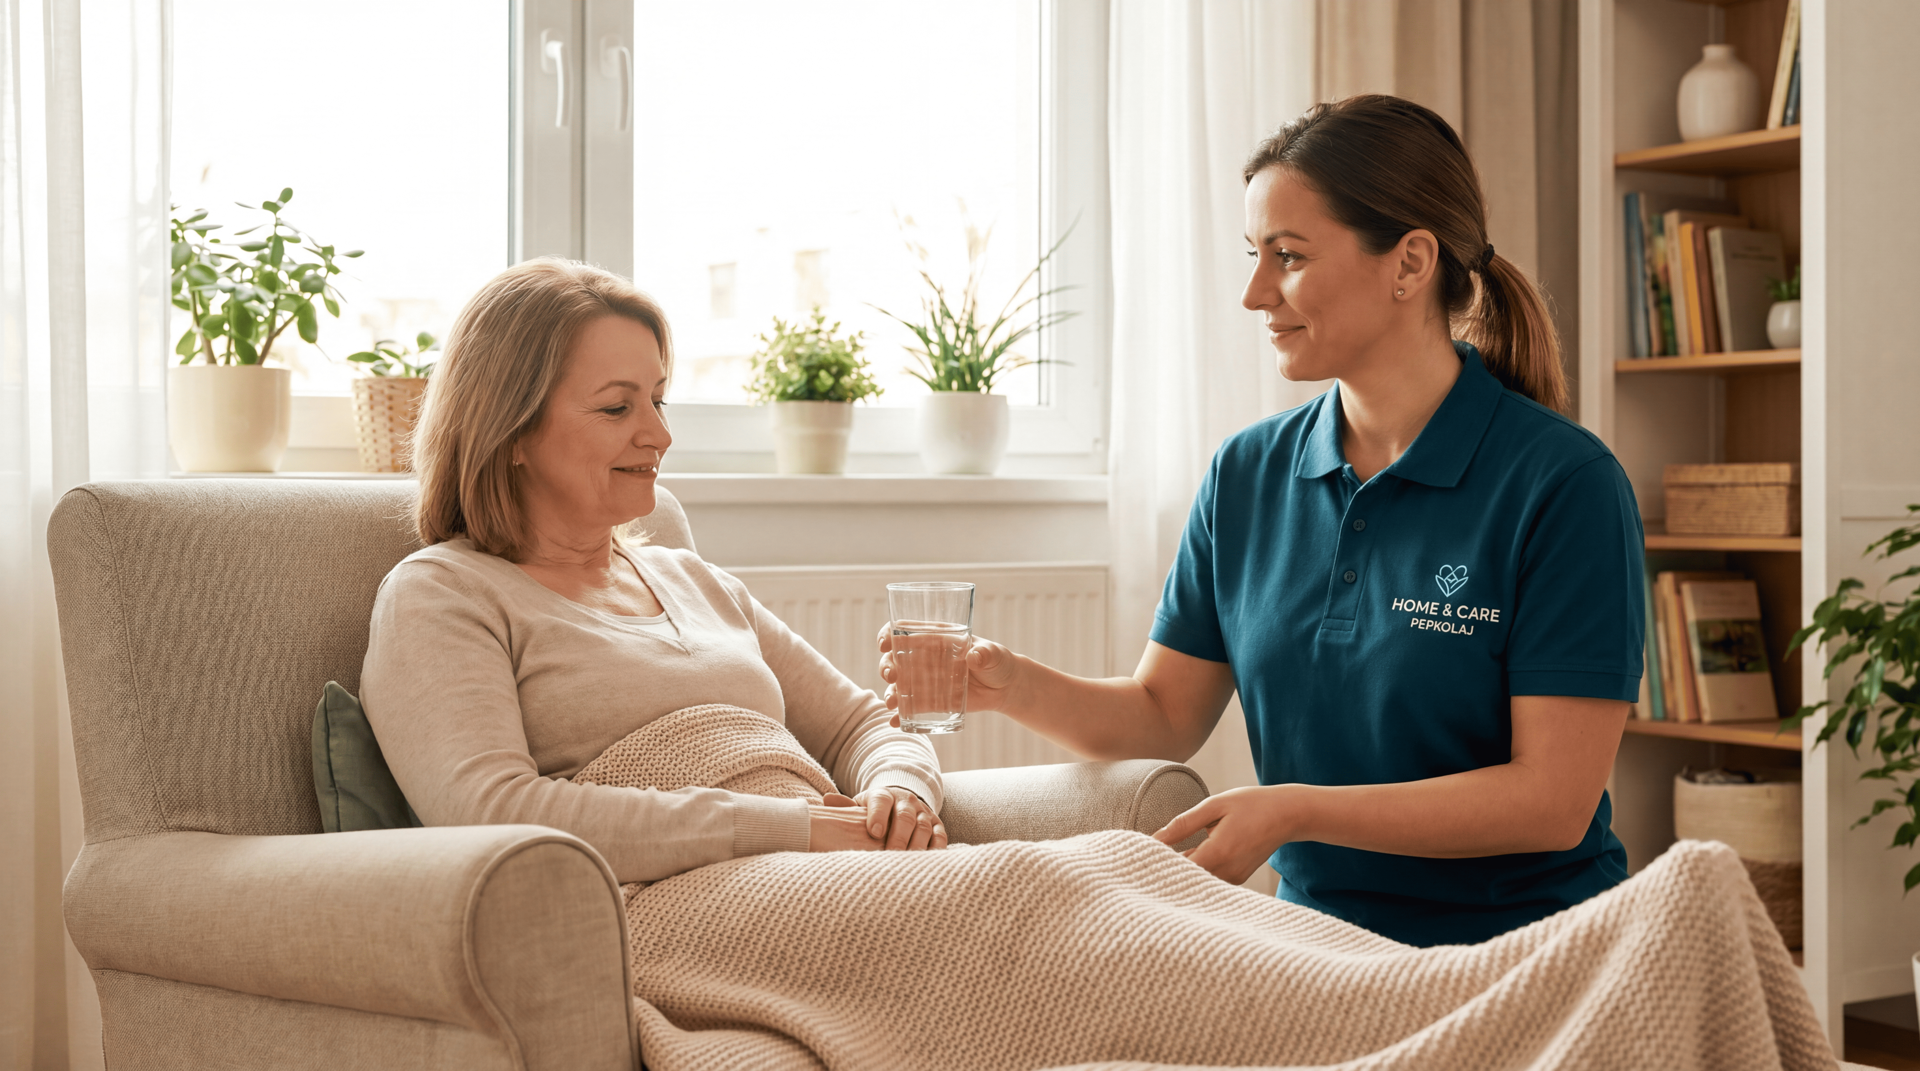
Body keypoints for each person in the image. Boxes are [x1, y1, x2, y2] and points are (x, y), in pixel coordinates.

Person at [879, 94, 1646, 947]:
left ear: (1410, 262)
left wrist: (1294, 811)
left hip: (1529, 947)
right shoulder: (1245, 474)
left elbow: (1551, 800)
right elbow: (1162, 712)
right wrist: (1007, 682)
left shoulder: (1565, 486)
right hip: (1313, 943)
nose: (1254, 294)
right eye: (1254, 255)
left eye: (1287, 256)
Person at [360, 258, 946, 886]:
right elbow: (491, 813)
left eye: (659, 401)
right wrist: (792, 826)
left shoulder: (697, 583)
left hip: (817, 874)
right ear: (511, 434)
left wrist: (900, 791)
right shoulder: (443, 595)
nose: (660, 435)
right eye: (617, 408)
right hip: (676, 905)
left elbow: (862, 725)